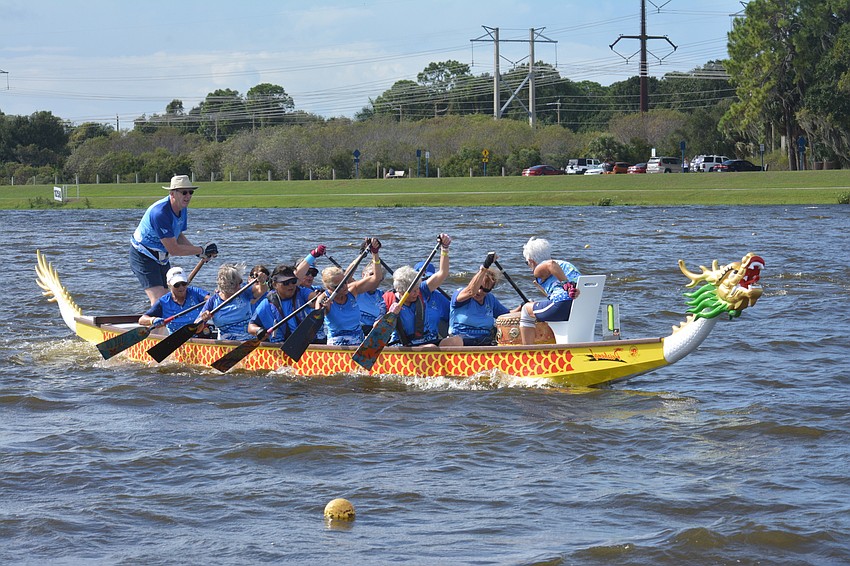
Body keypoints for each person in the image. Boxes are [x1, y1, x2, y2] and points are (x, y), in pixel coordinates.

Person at [129, 174, 217, 305]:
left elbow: (177, 235)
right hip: (143, 255)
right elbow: (174, 249)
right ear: (172, 193)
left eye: (190, 192)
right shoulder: (160, 213)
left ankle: (165, 323)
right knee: (159, 300)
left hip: (162, 258)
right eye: (184, 192)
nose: (188, 196)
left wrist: (200, 253)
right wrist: (201, 249)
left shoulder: (182, 208)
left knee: (170, 299)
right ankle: (155, 322)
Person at [382, 233, 452, 348]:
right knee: (431, 348)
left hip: (426, 341)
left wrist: (444, 249)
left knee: (455, 341)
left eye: (417, 289)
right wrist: (389, 316)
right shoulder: (387, 300)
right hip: (404, 346)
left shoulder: (422, 290)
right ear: (401, 291)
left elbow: (442, 273)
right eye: (412, 291)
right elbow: (376, 328)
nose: (416, 293)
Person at [316, 239, 383, 345]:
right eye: (337, 286)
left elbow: (377, 278)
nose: (343, 287)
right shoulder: (323, 299)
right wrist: (323, 309)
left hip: (358, 342)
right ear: (328, 286)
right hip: (337, 342)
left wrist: (375, 254)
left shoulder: (352, 290)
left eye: (344, 283)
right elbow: (316, 320)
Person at [518, 237, 581, 345]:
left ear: (531, 261)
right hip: (579, 309)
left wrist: (565, 283)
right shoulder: (566, 265)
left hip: (562, 306)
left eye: (527, 263)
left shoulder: (538, 269)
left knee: (526, 310)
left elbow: (551, 264)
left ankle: (527, 352)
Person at [442, 255, 510, 346]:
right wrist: (484, 267)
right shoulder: (460, 295)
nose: (480, 291)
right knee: (453, 342)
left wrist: (524, 308)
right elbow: (471, 291)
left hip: (485, 341)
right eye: (479, 287)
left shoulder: (490, 299)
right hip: (462, 340)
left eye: (486, 290)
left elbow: (507, 315)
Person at [247, 264, 318, 343]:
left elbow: (315, 298)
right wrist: (258, 331)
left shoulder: (302, 292)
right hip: (280, 344)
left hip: (306, 342)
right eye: (286, 283)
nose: (291, 285)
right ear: (275, 284)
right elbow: (251, 327)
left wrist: (320, 298)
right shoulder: (267, 303)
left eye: (293, 281)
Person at [198, 264, 263, 341]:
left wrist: (262, 281)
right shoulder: (213, 301)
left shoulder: (243, 292)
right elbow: (197, 329)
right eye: (239, 283)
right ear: (230, 285)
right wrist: (203, 319)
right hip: (226, 344)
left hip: (249, 341)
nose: (240, 286)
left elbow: (260, 290)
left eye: (241, 282)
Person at [138, 266, 210, 334]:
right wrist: (153, 320)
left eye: (184, 283)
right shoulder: (163, 302)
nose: (181, 287)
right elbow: (142, 320)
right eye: (176, 285)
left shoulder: (195, 292)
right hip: (176, 339)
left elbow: (212, 301)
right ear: (169, 284)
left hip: (200, 332)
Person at [413, 260, 451, 339]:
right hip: (410, 341)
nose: (425, 282)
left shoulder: (441, 298)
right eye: (422, 279)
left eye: (428, 279)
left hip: (432, 340)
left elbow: (453, 319)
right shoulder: (405, 297)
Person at [358, 262, 386, 336]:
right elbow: (347, 277)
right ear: (363, 275)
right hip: (359, 329)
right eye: (371, 274)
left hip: (375, 330)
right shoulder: (355, 291)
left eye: (378, 277)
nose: (375, 279)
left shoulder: (382, 295)